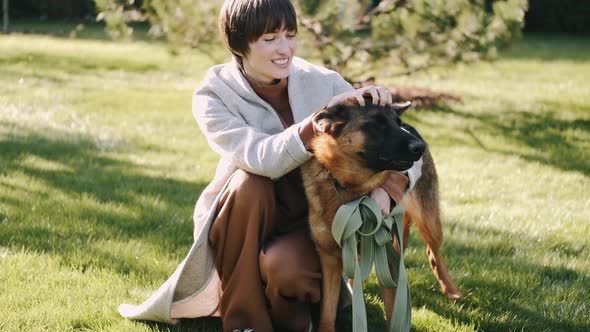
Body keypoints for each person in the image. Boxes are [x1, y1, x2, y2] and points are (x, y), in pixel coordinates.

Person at [118, 0, 422, 331]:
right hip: (243, 219)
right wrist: (317, 120)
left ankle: (294, 314)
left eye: (290, 35)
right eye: (270, 38)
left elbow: (405, 150)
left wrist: (387, 192)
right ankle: (245, 322)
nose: (285, 49)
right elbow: (260, 157)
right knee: (249, 181)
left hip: (313, 222)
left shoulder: (325, 82)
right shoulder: (213, 95)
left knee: (288, 272)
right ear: (239, 44)